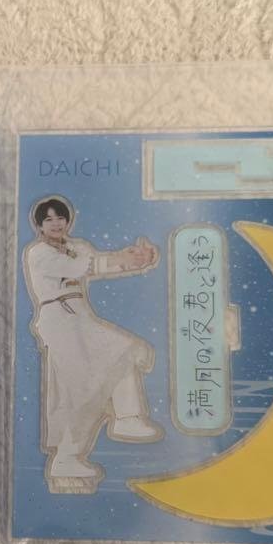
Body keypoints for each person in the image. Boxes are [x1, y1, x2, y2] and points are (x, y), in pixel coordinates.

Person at [22, 196, 162, 487]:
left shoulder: (78, 247)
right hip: (57, 319)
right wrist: (122, 257)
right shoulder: (39, 253)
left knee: (122, 350)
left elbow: (100, 266)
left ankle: (127, 418)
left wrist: (137, 259)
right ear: (39, 225)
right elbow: (79, 268)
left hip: (80, 317)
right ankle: (66, 457)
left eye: (60, 217)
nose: (56, 223)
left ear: (68, 220)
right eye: (48, 219)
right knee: (79, 386)